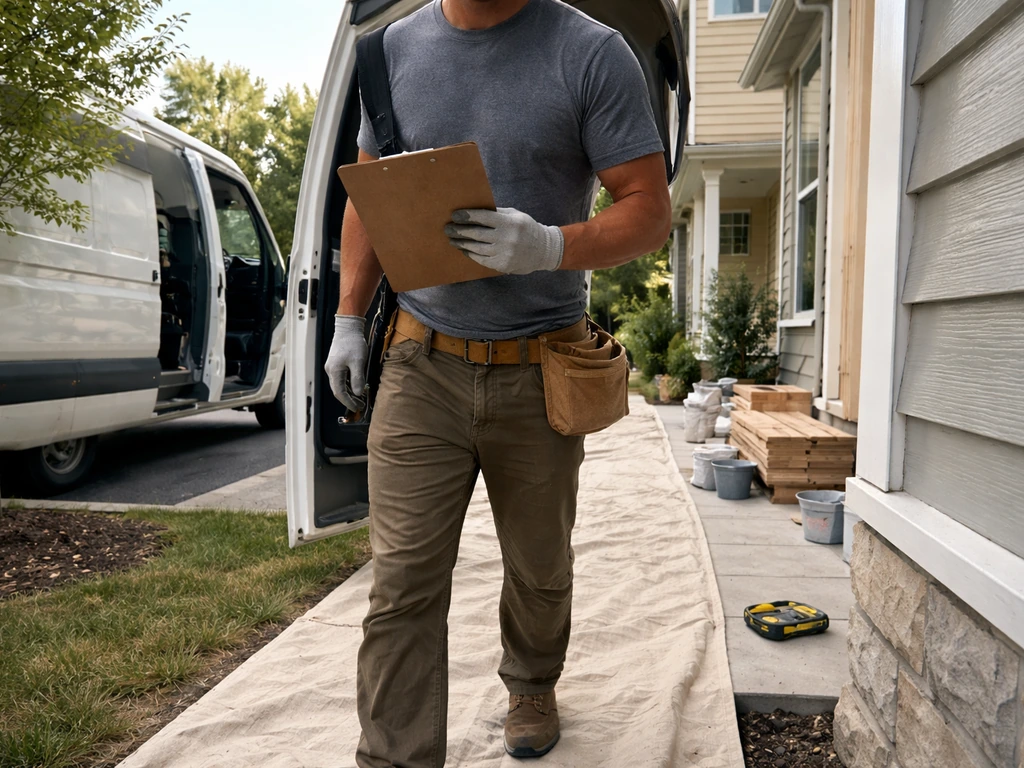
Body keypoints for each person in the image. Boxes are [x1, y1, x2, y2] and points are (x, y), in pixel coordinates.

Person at [324, 0, 671, 765]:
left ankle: (532, 682)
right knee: (403, 582)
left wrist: (550, 244)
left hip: (539, 367)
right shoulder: (389, 54)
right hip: (421, 361)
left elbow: (648, 212)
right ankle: (395, 757)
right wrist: (349, 317)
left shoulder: (590, 52)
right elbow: (370, 194)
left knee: (539, 566)